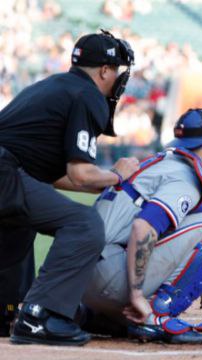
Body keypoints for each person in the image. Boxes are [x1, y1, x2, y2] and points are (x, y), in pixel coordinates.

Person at [0, 30, 138, 346]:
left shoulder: (52, 85)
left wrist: (100, 185)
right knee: (85, 224)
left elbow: (55, 174)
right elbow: (80, 173)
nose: (116, 79)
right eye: (115, 71)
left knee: (19, 223)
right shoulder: (89, 96)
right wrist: (118, 175)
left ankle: (5, 310)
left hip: (9, 173)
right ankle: (39, 317)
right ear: (105, 70)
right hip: (6, 173)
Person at [79, 108, 202, 344]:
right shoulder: (185, 175)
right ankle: (158, 316)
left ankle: (94, 315)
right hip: (109, 280)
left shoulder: (161, 163)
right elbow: (143, 228)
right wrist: (136, 295)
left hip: (83, 281)